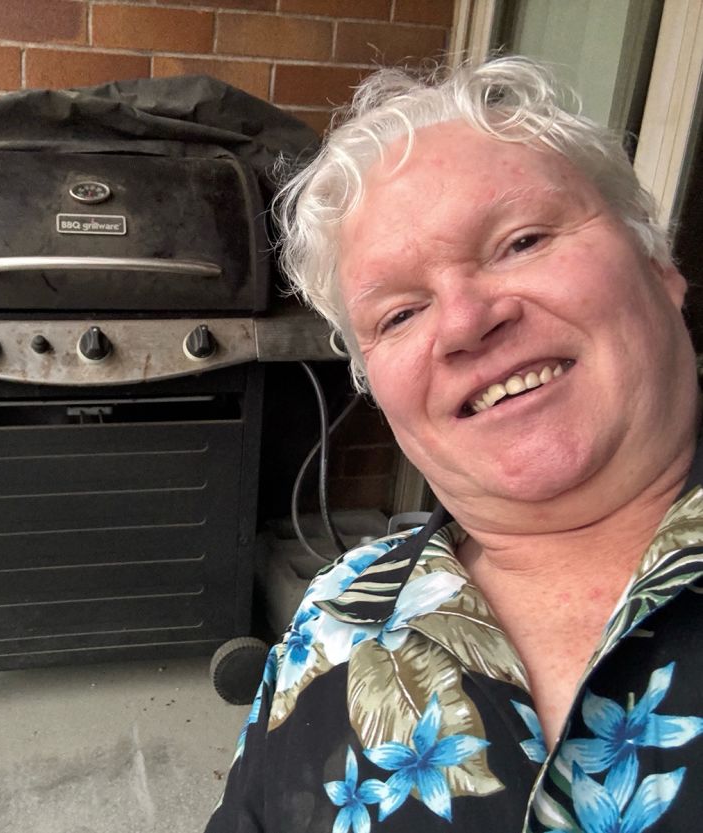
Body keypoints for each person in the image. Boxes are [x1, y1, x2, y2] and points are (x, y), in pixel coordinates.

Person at [205, 56, 703, 833]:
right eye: (400, 314)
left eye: (522, 241)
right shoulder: (338, 617)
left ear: (658, 266)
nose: (467, 322)